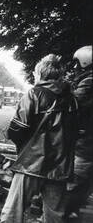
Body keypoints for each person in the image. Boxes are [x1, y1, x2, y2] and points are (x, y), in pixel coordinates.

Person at [0, 54, 78, 223]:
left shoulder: (33, 95)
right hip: (60, 167)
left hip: (31, 164)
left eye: (35, 73)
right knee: (55, 216)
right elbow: (74, 133)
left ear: (41, 74)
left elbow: (18, 130)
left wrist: (14, 139)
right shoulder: (71, 100)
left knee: (13, 213)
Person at [65, 45, 93, 218]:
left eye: (77, 64)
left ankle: (63, 215)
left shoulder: (89, 82)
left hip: (86, 145)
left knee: (72, 185)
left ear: (85, 62)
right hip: (87, 143)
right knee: (83, 188)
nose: (74, 68)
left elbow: (73, 105)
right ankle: (73, 212)